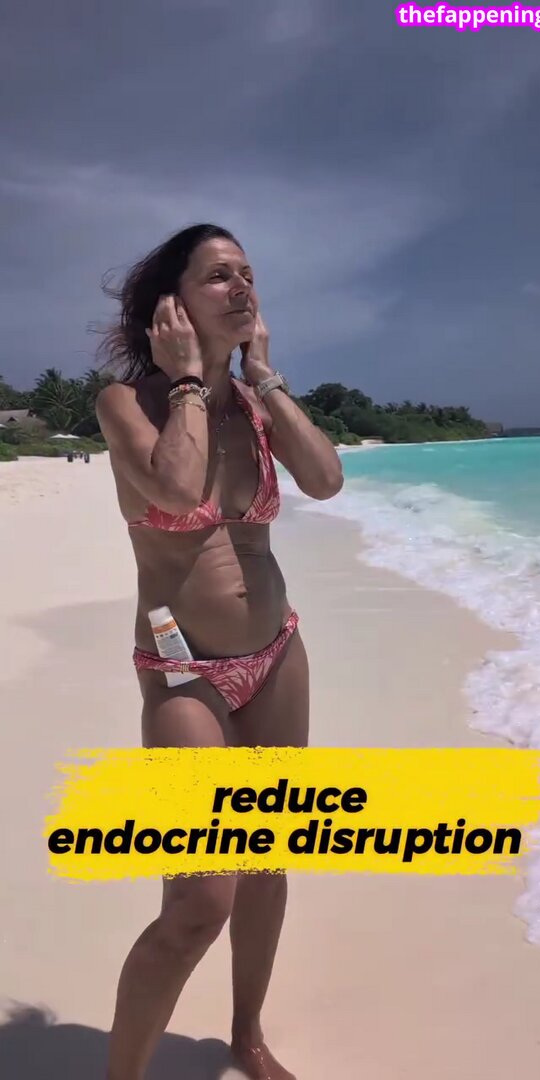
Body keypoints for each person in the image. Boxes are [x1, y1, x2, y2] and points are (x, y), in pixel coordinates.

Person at [95, 223, 344, 1080]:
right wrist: (191, 383)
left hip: (276, 655)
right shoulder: (125, 403)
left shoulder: (255, 405)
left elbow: (326, 480)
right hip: (184, 673)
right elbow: (173, 488)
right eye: (218, 276)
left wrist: (262, 377)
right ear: (172, 303)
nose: (242, 287)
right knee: (201, 899)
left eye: (248, 274)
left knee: (267, 862)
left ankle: (247, 1036)